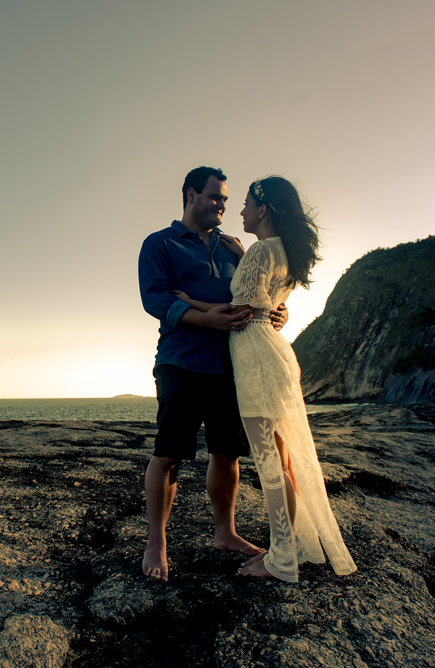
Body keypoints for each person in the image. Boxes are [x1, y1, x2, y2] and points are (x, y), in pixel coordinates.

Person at [174, 176, 357, 582]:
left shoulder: (260, 251)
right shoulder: (281, 253)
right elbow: (267, 307)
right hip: (272, 353)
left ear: (263, 210)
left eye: (245, 204)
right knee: (279, 461)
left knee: (269, 463)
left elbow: (239, 312)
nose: (239, 211)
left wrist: (190, 303)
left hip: (257, 358)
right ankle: (288, 548)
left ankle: (282, 559)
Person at [137, 166, 288, 582]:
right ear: (190, 196)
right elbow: (154, 300)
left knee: (226, 452)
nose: (222, 204)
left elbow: (260, 294)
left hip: (233, 365)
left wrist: (280, 310)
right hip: (181, 362)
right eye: (214, 197)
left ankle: (226, 532)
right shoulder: (159, 244)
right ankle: (156, 542)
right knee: (168, 454)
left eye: (226, 199)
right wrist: (209, 321)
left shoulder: (234, 247)